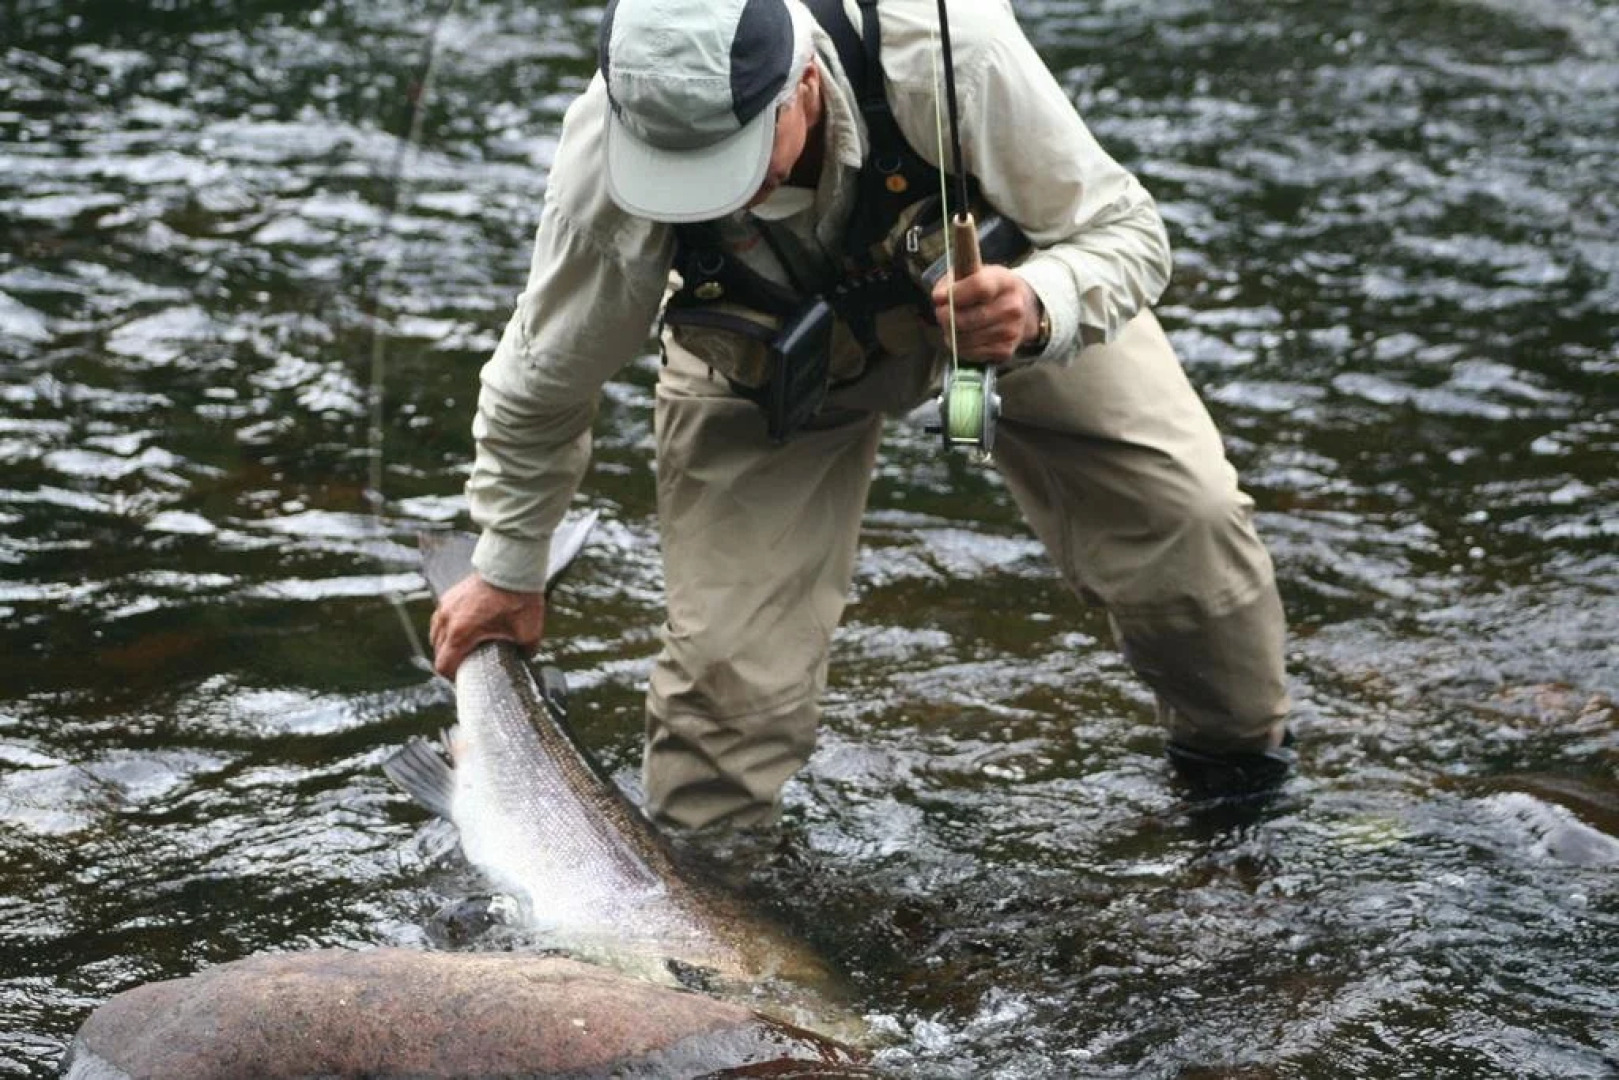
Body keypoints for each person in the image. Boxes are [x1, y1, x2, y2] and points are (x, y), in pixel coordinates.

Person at [429, 0, 1295, 831]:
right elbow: (542, 378)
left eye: (731, 158)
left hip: (1002, 308)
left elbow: (1129, 233)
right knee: (726, 695)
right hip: (763, 364)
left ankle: (1241, 798)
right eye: (673, 173)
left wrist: (1038, 301)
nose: (702, 200)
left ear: (802, 84)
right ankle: (701, 933)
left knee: (1193, 542)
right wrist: (509, 568)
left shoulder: (952, 50)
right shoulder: (609, 160)